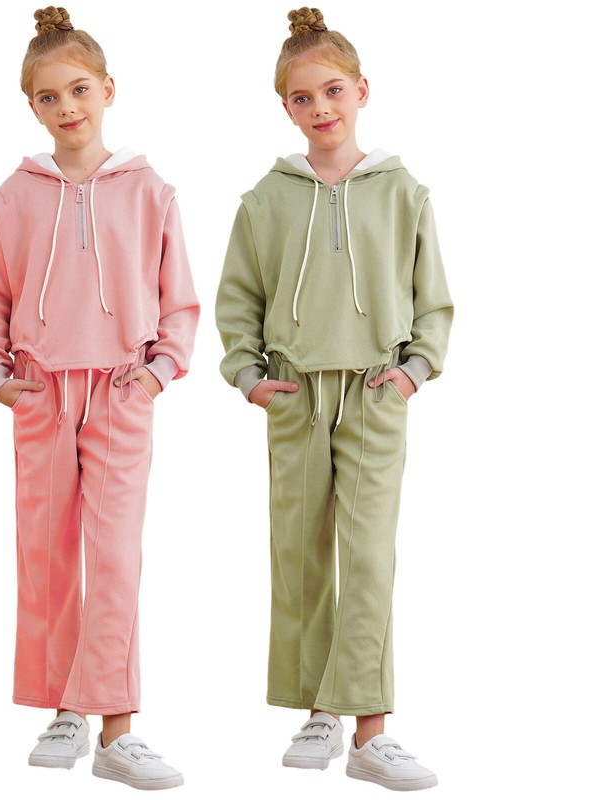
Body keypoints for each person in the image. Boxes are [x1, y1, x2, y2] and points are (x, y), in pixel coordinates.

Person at [215, 6, 453, 792]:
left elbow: (433, 298)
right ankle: (318, 711)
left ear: (362, 90)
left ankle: (371, 729)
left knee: (370, 557)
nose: (320, 108)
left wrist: (416, 370)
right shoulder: (266, 199)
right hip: (296, 395)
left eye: (333, 91)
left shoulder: (403, 190)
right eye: (302, 97)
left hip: (375, 391)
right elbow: (238, 297)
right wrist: (250, 378)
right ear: (285, 107)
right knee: (301, 555)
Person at [0, 6, 198, 791]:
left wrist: (161, 370)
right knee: (48, 554)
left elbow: (179, 298)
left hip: (122, 389)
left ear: (108, 89)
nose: (67, 107)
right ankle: (65, 710)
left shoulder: (150, 190)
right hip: (43, 394)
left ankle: (117, 729)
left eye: (80, 90)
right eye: (49, 96)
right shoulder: (11, 198)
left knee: (116, 558)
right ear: (32, 106)